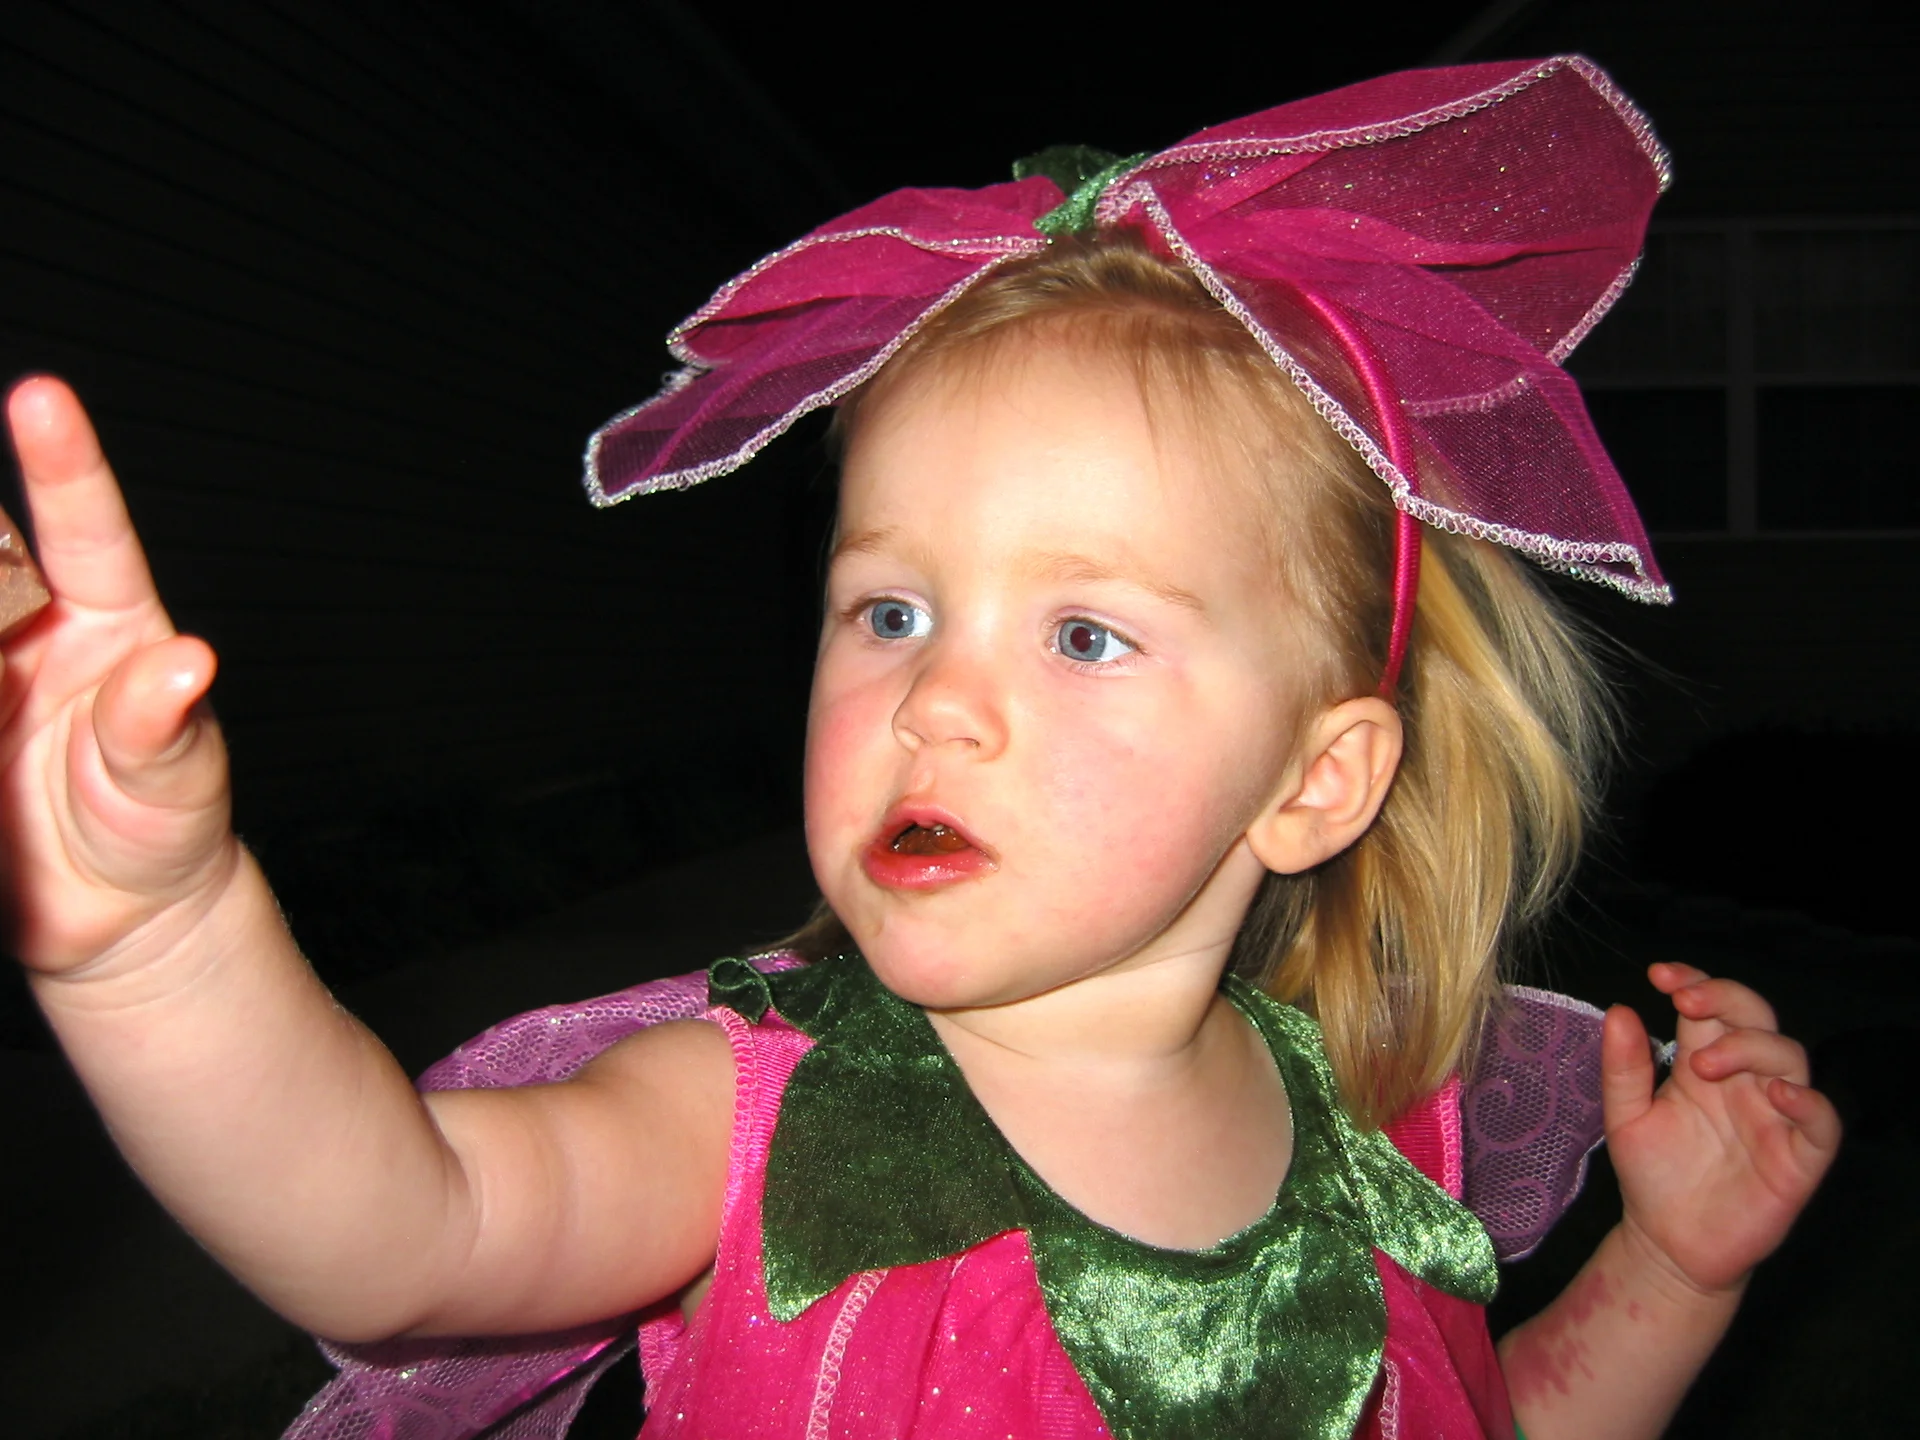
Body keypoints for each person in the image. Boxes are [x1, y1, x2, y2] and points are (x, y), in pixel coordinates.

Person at [2, 56, 1836, 1440]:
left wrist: (1673, 1272)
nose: (933, 702)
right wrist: (160, 941)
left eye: (1085, 633)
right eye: (890, 611)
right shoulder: (761, 1120)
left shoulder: (1374, 1144)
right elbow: (402, 1230)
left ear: (1314, 783)